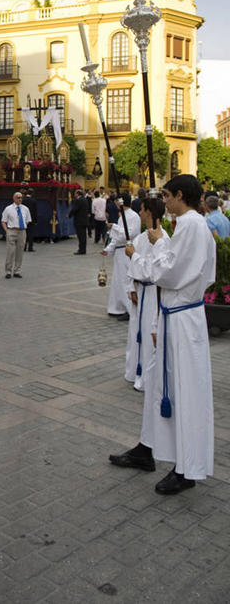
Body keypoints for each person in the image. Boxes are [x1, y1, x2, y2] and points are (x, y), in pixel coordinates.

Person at [110, 174, 216, 495]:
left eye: (167, 196)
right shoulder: (186, 225)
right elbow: (174, 263)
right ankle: (149, 446)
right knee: (159, 386)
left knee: (184, 391)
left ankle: (187, 468)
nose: (164, 202)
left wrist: (137, 256)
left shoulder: (192, 225)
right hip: (171, 317)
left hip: (183, 320)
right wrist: (161, 243)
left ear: (180, 195)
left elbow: (167, 274)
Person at [123, 198, 168, 390]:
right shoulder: (142, 237)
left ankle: (149, 377)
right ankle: (134, 370)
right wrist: (131, 286)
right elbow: (134, 267)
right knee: (136, 332)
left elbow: (151, 271)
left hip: (152, 293)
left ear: (149, 212)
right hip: (140, 291)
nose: (139, 213)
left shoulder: (162, 238)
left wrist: (133, 255)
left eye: (141, 210)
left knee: (150, 334)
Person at [102, 192, 141, 320]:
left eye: (117, 201)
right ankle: (117, 307)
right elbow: (117, 237)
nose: (115, 203)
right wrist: (108, 249)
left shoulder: (133, 216)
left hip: (127, 252)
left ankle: (129, 308)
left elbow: (129, 234)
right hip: (119, 252)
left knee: (126, 280)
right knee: (118, 281)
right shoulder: (122, 216)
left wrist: (114, 227)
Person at [1, 192, 31, 279]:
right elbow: (3, 221)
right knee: (10, 252)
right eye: (18, 197)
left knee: (20, 252)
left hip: (22, 232)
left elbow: (28, 219)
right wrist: (7, 231)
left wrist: (23, 225)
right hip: (11, 230)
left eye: (21, 197)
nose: (20, 199)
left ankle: (17, 270)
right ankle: (8, 271)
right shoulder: (8, 209)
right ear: (14, 198)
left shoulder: (25, 209)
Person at [68, 189, 90, 255]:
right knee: (83, 236)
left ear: (77, 194)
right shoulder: (85, 199)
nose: (74, 195)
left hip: (79, 221)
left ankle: (81, 250)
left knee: (81, 236)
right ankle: (83, 249)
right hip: (84, 220)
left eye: (75, 193)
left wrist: (69, 215)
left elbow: (75, 209)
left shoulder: (78, 200)